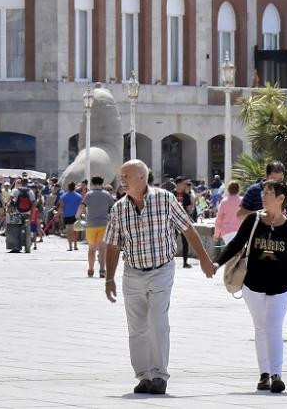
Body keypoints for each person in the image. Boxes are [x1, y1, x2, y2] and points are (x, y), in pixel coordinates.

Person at [103, 160, 216, 396]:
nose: (121, 180)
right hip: (133, 272)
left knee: (157, 322)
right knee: (137, 328)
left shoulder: (165, 199)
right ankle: (144, 376)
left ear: (142, 178)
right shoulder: (118, 208)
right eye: (121, 176)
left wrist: (205, 259)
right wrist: (109, 278)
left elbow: (187, 228)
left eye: (126, 176)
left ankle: (159, 375)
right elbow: (113, 245)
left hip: (162, 270)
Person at [216, 180, 287, 394]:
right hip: (252, 285)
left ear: (281, 199)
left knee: (273, 327)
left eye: (269, 193)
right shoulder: (253, 220)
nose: (263, 196)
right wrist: (217, 263)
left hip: (281, 286)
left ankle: (276, 375)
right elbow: (236, 243)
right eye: (263, 192)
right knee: (260, 327)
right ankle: (264, 374)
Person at [82, 176, 115, 278]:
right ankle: (102, 270)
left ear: (92, 183)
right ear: (102, 183)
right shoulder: (107, 194)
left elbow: (82, 206)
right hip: (104, 225)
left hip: (91, 225)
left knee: (91, 249)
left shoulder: (88, 194)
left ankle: (91, 269)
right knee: (102, 249)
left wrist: (77, 216)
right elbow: (113, 208)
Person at [213, 181, 242, 245]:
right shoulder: (242, 201)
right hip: (241, 231)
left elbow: (219, 219)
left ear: (228, 190)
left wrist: (216, 234)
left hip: (227, 233)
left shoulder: (224, 202)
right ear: (238, 189)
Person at [59, 182, 83, 251]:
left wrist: (58, 214)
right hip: (76, 215)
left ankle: (70, 247)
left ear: (68, 187)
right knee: (75, 231)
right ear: (74, 187)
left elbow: (61, 206)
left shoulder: (63, 196)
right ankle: (75, 245)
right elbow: (81, 206)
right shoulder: (79, 196)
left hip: (67, 215)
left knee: (69, 232)